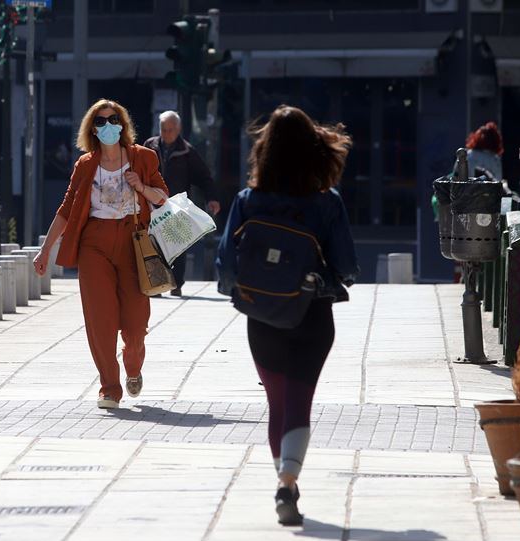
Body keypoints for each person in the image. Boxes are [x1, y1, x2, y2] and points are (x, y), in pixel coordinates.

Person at [216, 106, 359, 526]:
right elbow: (347, 265)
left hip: (262, 316)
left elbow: (225, 265)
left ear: (266, 151)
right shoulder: (326, 203)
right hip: (311, 317)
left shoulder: (246, 201)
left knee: (277, 403)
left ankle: (288, 482)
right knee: (300, 401)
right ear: (312, 150)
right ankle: (286, 483)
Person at [34, 99, 169, 410]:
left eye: (113, 119)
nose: (107, 126)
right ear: (92, 129)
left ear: (122, 124)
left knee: (136, 323)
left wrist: (141, 188)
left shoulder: (143, 158)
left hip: (133, 241)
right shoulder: (85, 165)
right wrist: (45, 250)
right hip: (94, 243)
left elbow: (163, 197)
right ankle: (109, 386)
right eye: (100, 121)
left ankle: (133, 364)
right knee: (100, 319)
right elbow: (67, 210)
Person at [143, 111, 220, 297]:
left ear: (178, 130)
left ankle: (176, 284)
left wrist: (212, 198)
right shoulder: (149, 146)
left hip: (176, 206)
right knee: (154, 245)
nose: (167, 133)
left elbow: (204, 177)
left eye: (170, 130)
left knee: (178, 246)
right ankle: (157, 284)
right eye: (163, 129)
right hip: (152, 203)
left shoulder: (187, 151)